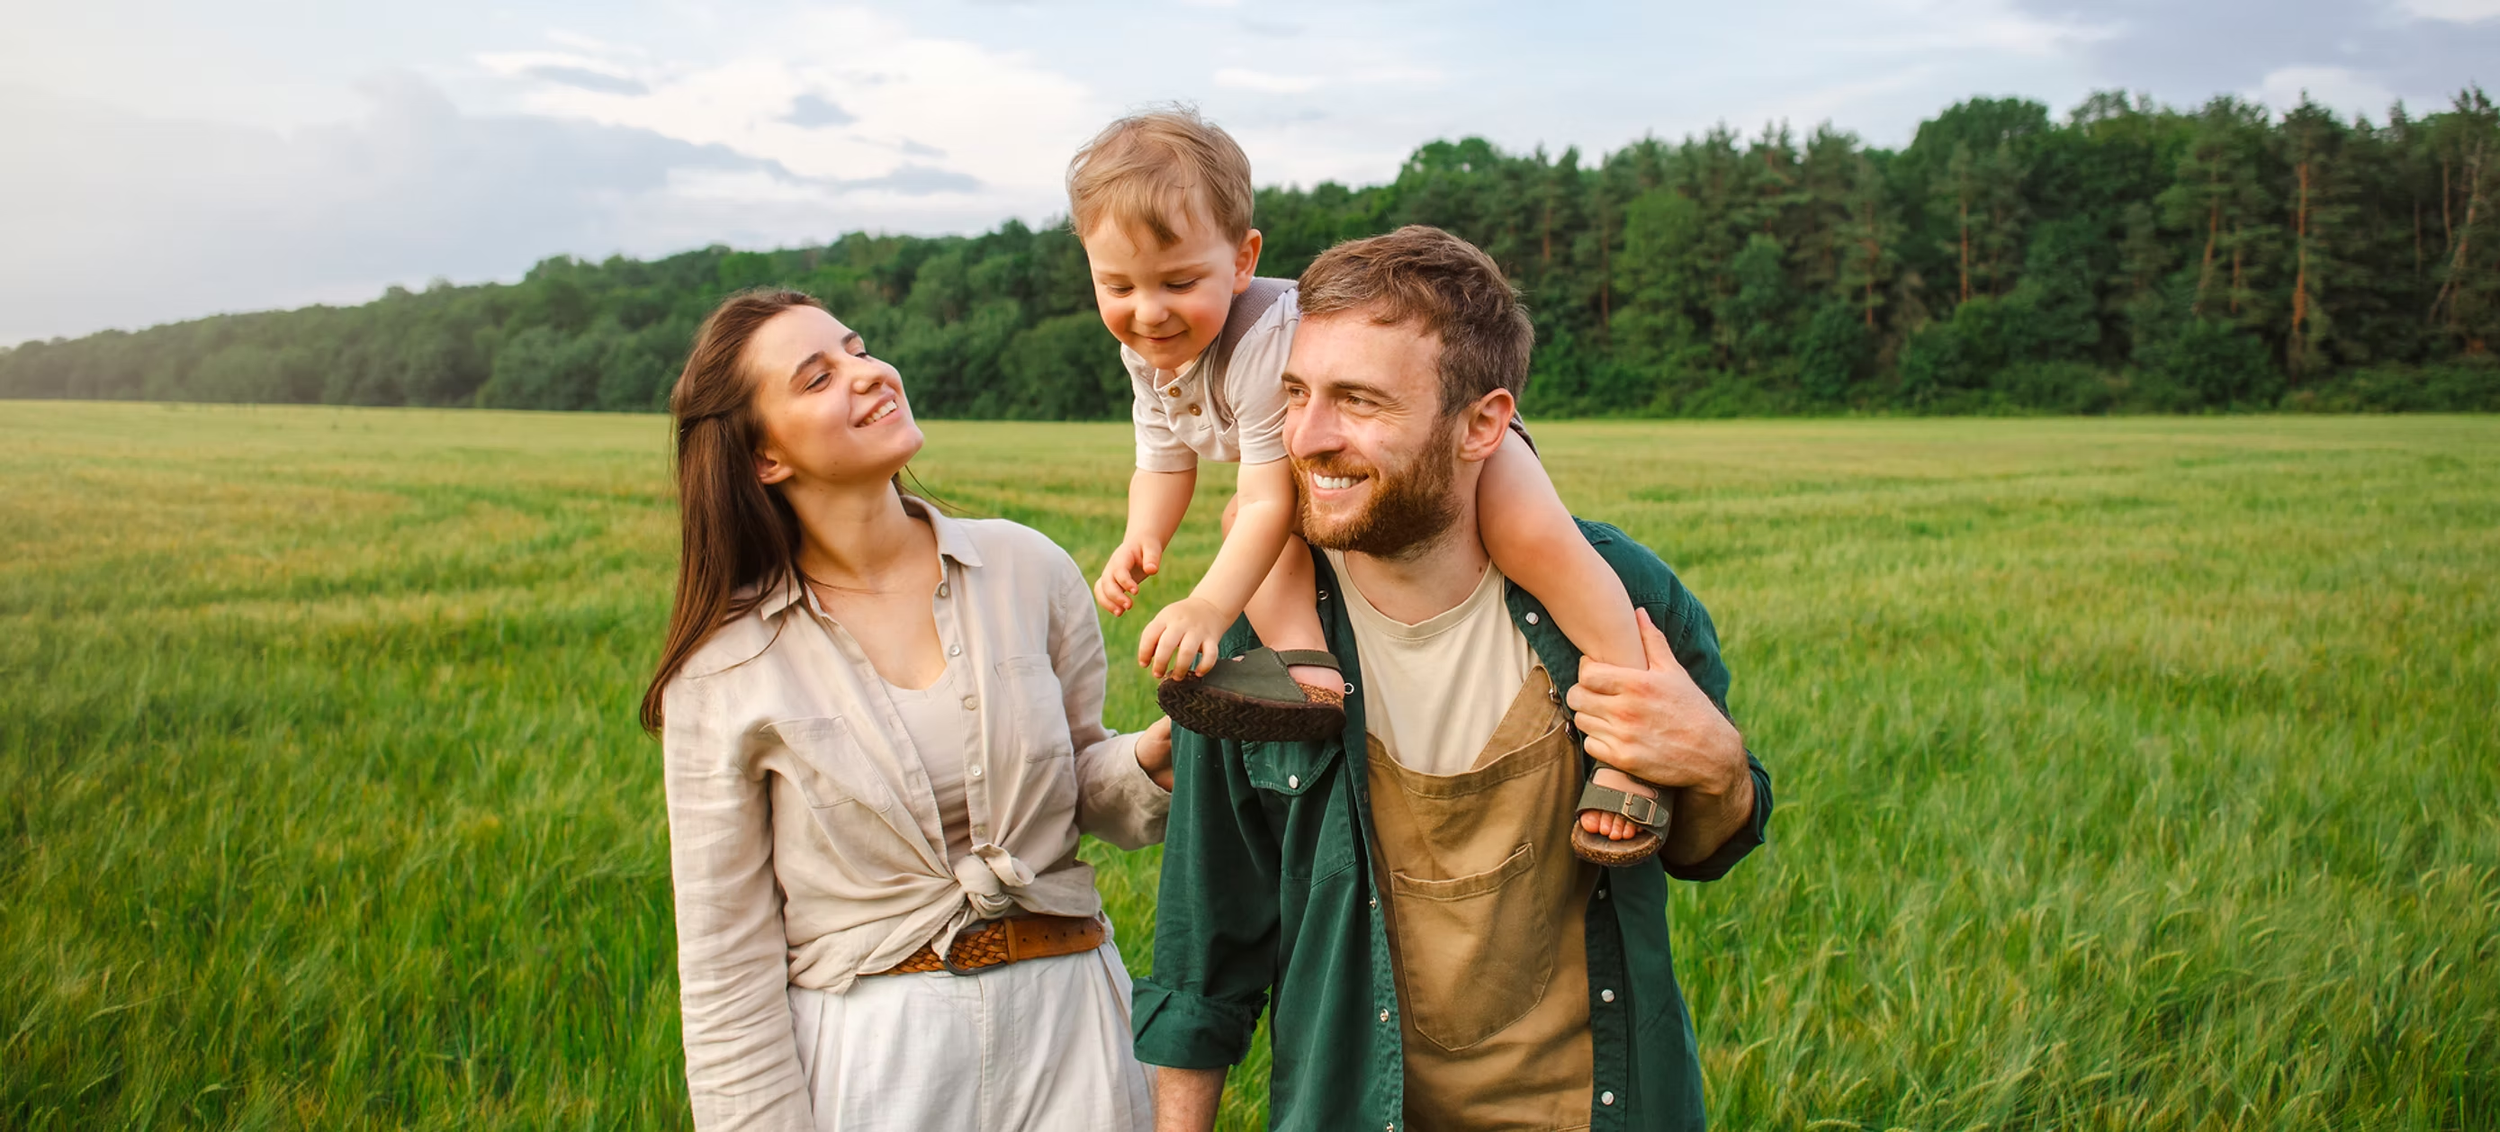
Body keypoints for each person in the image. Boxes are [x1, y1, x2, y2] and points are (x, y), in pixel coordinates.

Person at [1134, 227, 1774, 1132]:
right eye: (1294, 394)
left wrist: (1716, 766)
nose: (1305, 438)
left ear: (1484, 423)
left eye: (1358, 401)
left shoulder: (1622, 598)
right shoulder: (1256, 645)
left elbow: (1708, 845)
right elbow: (1206, 943)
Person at [1067, 108, 1670, 863]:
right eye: (1115, 285)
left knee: (1539, 544)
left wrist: (1207, 605)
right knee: (1244, 527)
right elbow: (1161, 456)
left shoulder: (1256, 346)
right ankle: (1310, 669)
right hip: (1319, 460)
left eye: (1178, 281)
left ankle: (1635, 736)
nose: (1147, 311)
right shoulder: (1148, 347)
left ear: (1243, 259)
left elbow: (1265, 498)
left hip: (1455, 440)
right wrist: (1143, 536)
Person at [639, 288, 1175, 1131]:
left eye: (858, 349)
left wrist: (1150, 763)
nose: (868, 373)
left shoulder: (1026, 567)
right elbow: (726, 967)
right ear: (764, 459)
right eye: (817, 378)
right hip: (879, 1067)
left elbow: (1076, 778)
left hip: (1074, 1026)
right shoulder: (725, 668)